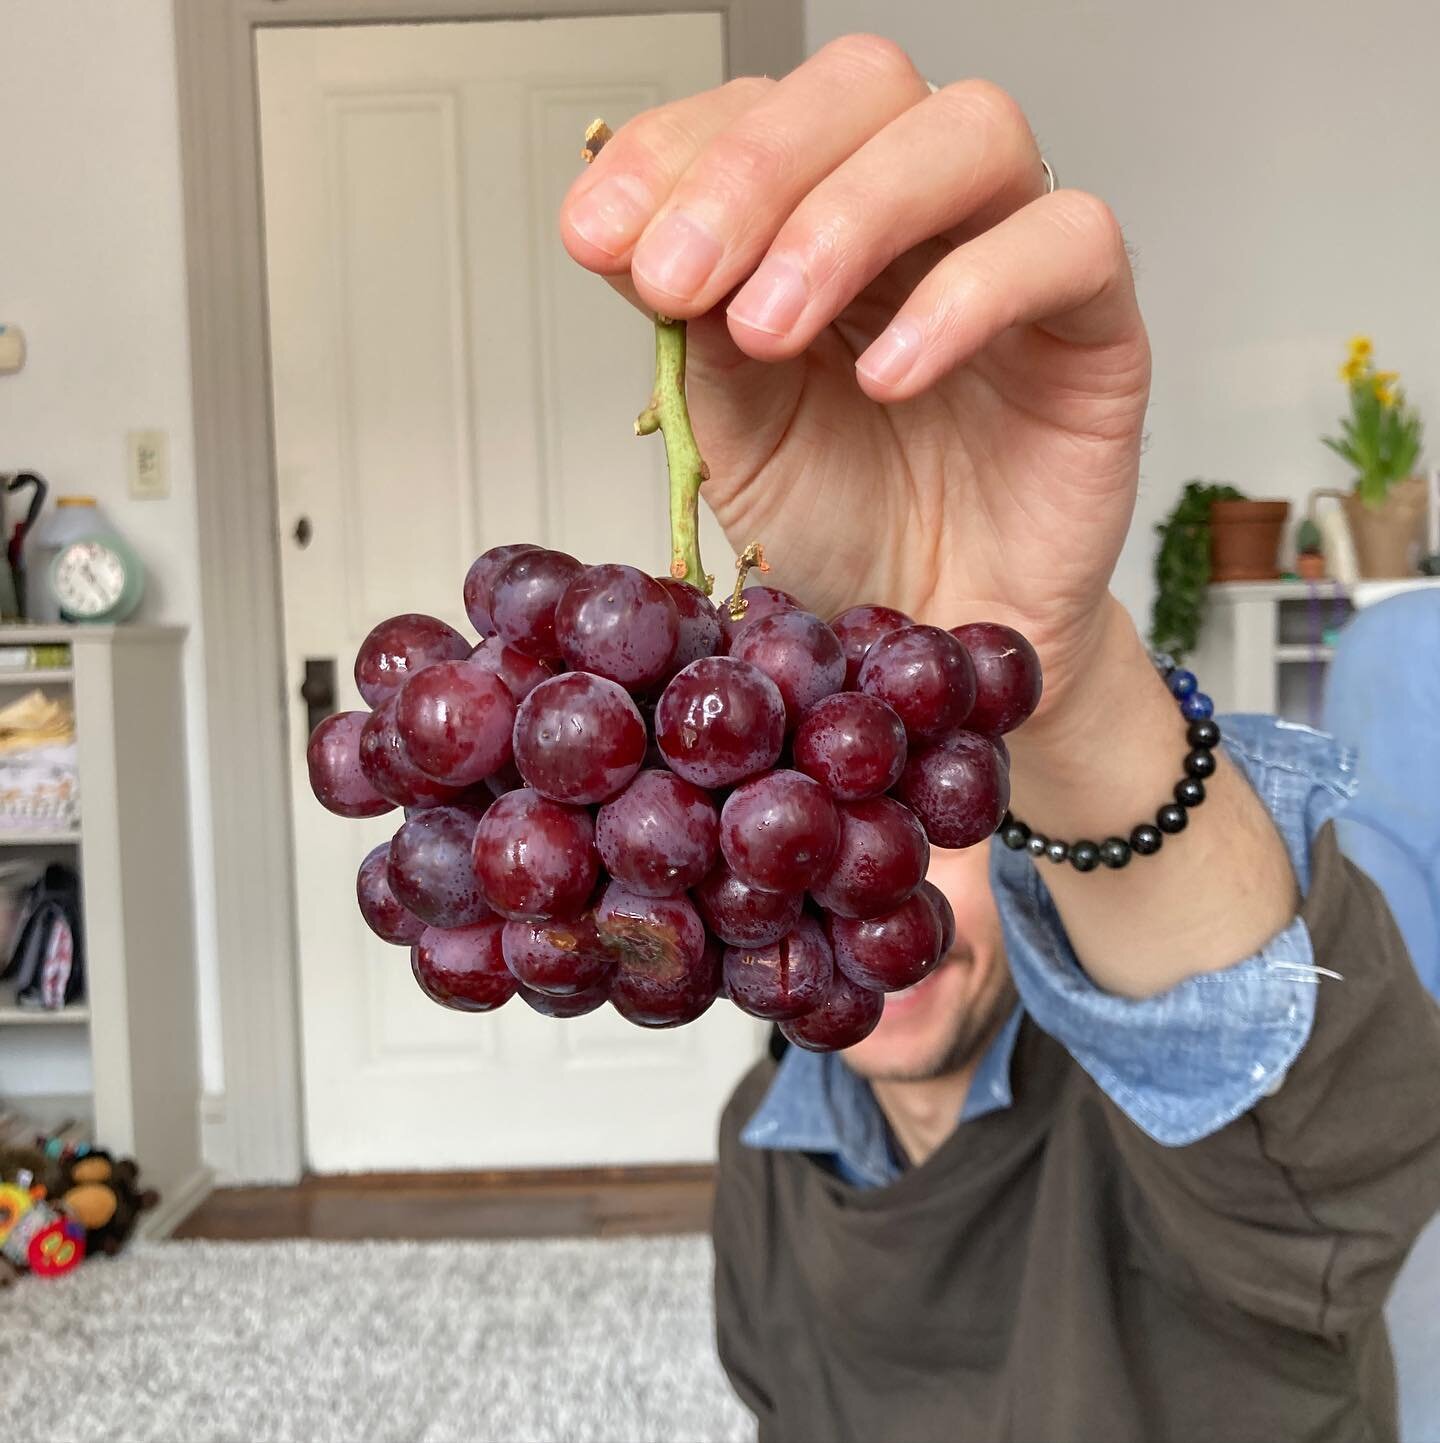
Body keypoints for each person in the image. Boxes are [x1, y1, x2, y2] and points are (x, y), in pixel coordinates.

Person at [560, 34, 1440, 1443]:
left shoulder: (1168, 1145)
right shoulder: (769, 1141)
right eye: (808, 845)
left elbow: (1342, 1157)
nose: (854, 884)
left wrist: (1063, 676)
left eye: (909, 822)